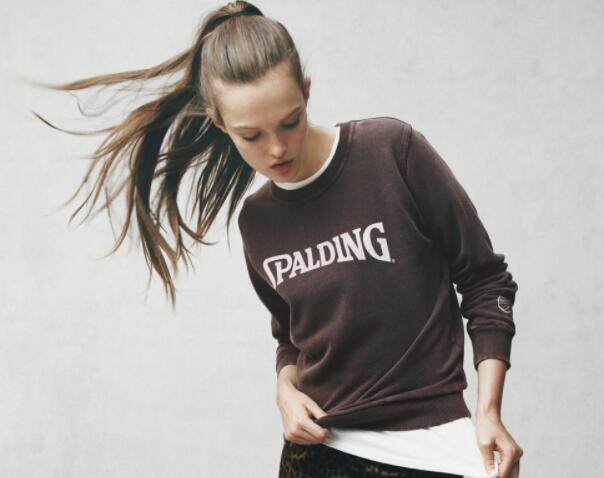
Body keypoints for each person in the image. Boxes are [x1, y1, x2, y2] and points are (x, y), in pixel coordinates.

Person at [28, 2, 523, 477]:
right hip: (319, 452)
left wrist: (489, 412)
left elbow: (485, 279)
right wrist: (284, 390)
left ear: (306, 92)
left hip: (433, 447)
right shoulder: (258, 221)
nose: (278, 149)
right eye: (252, 136)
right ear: (220, 123)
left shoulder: (391, 152)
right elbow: (290, 336)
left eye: (290, 122)